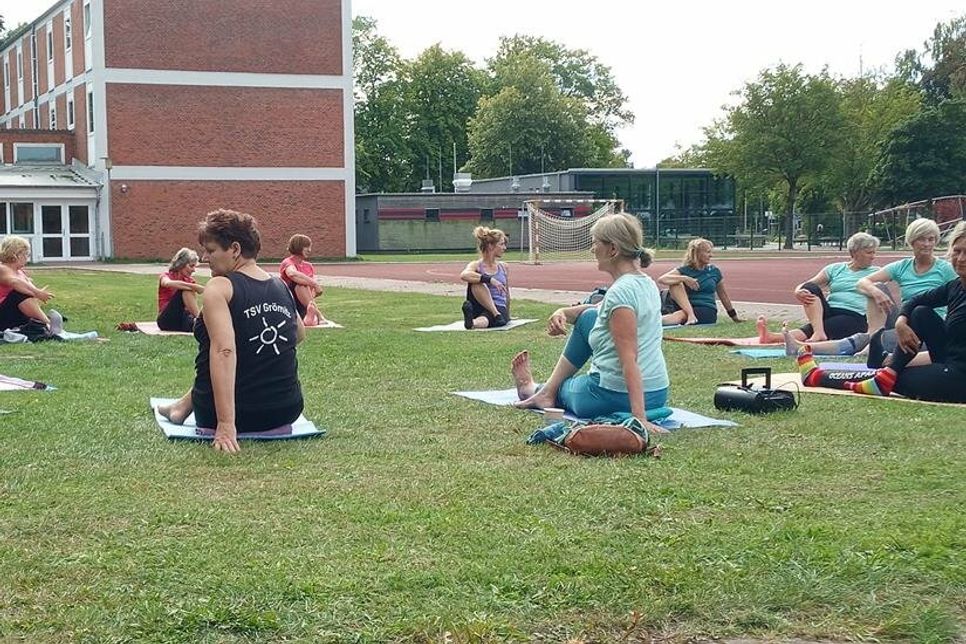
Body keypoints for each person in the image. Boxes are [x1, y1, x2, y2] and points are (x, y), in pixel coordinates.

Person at [159, 209, 306, 453]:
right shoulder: (280, 285)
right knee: (242, 342)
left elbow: (224, 351)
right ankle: (182, 406)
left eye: (211, 250)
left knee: (221, 348)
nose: (205, 258)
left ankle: (183, 407)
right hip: (286, 410)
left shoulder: (220, 286)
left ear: (235, 249)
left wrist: (226, 425)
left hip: (234, 415)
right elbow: (298, 335)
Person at [511, 213, 670, 433]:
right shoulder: (646, 284)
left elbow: (629, 360)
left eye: (595, 243)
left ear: (612, 249)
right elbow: (596, 310)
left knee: (568, 389)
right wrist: (564, 312)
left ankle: (533, 389)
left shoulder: (621, 293)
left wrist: (639, 418)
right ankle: (546, 392)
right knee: (587, 319)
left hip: (614, 396)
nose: (592, 249)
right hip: (658, 393)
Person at [797, 221, 966, 403]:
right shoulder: (955, 286)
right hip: (948, 359)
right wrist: (901, 321)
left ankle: (819, 377)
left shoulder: (944, 272)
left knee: (895, 378)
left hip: (959, 376)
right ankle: (889, 371)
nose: (961, 258)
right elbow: (917, 302)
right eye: (957, 251)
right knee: (919, 312)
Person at [757, 232, 881, 343]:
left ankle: (776, 337)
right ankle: (818, 332)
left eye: (874, 252)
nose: (873, 256)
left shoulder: (877, 272)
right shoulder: (836, 268)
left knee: (826, 326)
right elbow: (808, 284)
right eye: (869, 252)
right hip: (829, 311)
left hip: (855, 316)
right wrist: (798, 292)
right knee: (809, 288)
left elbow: (896, 272)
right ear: (854, 252)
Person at [658, 237, 741, 325]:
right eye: (708, 252)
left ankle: (650, 323)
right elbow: (662, 279)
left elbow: (723, 295)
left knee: (680, 315)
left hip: (706, 309)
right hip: (686, 307)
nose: (711, 255)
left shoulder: (714, 271)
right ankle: (691, 315)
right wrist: (684, 278)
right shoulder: (685, 270)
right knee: (675, 283)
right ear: (697, 253)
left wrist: (734, 316)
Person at [0, 236, 60, 334]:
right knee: (19, 294)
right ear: (17, 254)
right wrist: (37, 293)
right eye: (26, 255)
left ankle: (45, 325)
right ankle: (48, 324)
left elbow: (29, 289)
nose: (27, 258)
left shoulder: (20, 272)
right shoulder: (2, 268)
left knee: (24, 294)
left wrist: (36, 292)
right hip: (3, 314)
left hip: (15, 314)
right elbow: (14, 282)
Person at [460, 226, 511, 329]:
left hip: (498, 306)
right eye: (501, 244)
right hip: (479, 305)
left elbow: (507, 293)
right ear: (490, 246)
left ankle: (473, 323)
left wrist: (508, 314)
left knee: (487, 317)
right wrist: (490, 279)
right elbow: (464, 275)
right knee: (476, 281)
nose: (504, 248)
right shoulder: (476, 265)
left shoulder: (504, 266)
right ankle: (495, 314)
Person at [279, 234, 325, 326]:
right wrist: (314, 284)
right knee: (300, 284)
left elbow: (310, 291)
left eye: (310, 247)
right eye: (306, 247)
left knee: (304, 286)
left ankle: (310, 314)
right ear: (298, 247)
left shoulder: (309, 266)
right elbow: (292, 274)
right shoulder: (288, 262)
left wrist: (313, 290)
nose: (309, 250)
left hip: (304, 302)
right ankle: (318, 315)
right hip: (289, 300)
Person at [156, 248, 204, 332]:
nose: (194, 270)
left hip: (182, 317)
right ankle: (200, 321)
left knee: (193, 324)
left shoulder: (190, 281)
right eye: (191, 266)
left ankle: (200, 322)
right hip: (166, 319)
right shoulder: (166, 276)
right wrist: (195, 287)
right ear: (181, 264)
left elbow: (190, 306)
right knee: (185, 290)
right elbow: (167, 283)